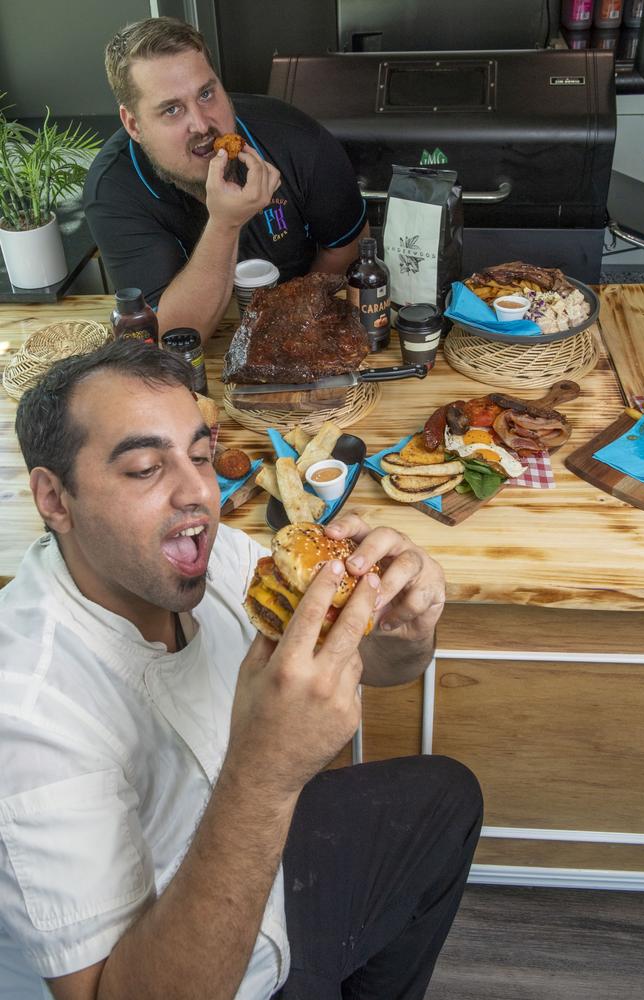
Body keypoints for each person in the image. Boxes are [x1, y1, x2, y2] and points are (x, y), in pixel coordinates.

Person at [0, 340, 482, 1000]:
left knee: (445, 797)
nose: (198, 490)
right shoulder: (26, 717)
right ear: (55, 499)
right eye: (145, 468)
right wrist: (267, 773)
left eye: (199, 454)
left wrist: (404, 627)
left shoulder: (219, 557)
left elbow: (380, 665)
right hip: (181, 960)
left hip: (262, 857)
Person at [83, 17, 370, 346]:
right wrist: (225, 223)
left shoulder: (299, 140)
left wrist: (291, 323)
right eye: (172, 110)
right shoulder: (113, 190)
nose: (201, 124)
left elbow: (345, 245)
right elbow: (170, 335)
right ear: (133, 125)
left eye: (206, 93)